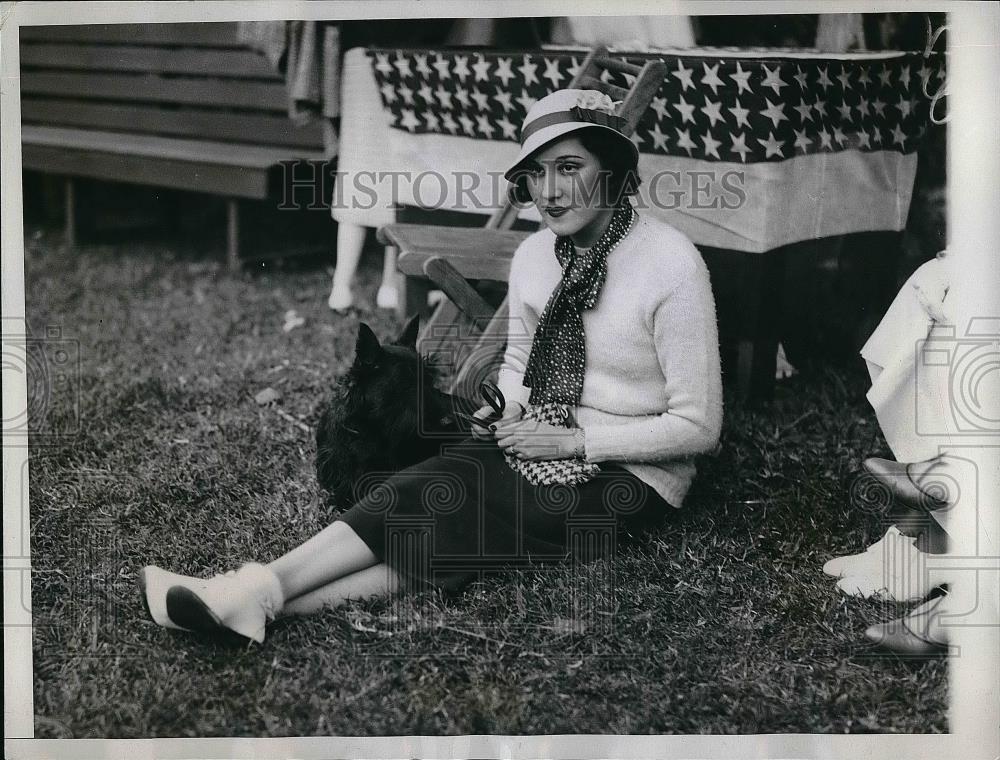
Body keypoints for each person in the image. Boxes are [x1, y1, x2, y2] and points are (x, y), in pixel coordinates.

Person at [139, 89, 723, 643]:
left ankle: (248, 595)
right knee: (424, 491)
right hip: (541, 437)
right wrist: (509, 406)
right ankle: (257, 596)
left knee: (463, 510)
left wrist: (573, 443)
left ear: (614, 172)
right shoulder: (535, 255)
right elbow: (521, 358)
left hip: (631, 477)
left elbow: (699, 428)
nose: (550, 191)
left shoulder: (670, 264)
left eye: (569, 167)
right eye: (536, 174)